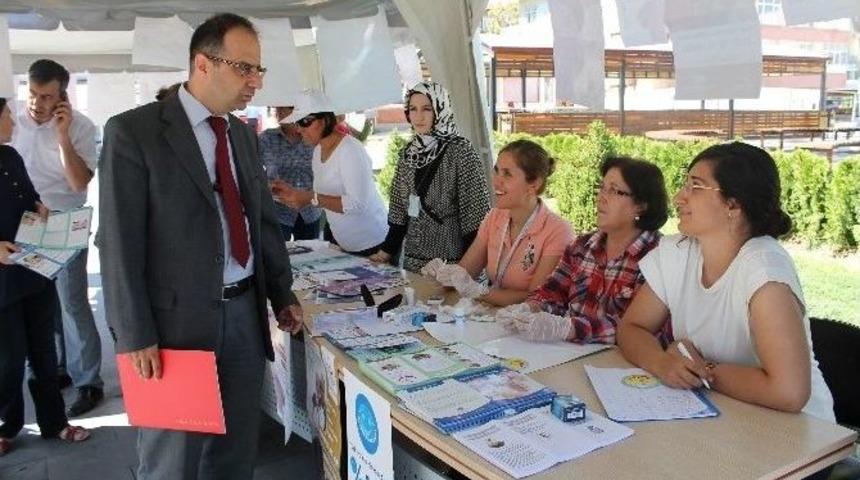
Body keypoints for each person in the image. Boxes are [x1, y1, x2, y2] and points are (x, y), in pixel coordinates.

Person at [98, 13, 303, 479]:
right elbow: (118, 242)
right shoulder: (135, 132)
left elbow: (260, 222)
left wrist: (280, 293)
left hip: (244, 318)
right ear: (202, 64)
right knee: (173, 461)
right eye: (243, 68)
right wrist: (135, 333)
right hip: (173, 329)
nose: (254, 82)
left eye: (258, 70)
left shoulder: (240, 135)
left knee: (234, 456)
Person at [617, 143, 835, 422]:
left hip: (801, 436)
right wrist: (661, 363)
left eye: (695, 186)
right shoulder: (677, 252)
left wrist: (702, 371)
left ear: (733, 204)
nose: (678, 197)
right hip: (727, 414)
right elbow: (632, 328)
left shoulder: (764, 272)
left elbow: (788, 392)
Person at [11, 59, 103, 417]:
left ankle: (89, 381)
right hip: (28, 221)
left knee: (72, 302)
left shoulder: (80, 126)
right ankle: (60, 367)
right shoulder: (14, 122)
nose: (37, 102)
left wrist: (62, 136)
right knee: (42, 303)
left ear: (62, 95)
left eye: (46, 96)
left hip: (67, 219)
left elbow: (80, 182)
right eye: (32, 93)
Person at [0, 97, 90, 457]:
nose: (13, 121)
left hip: (34, 267)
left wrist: (40, 208)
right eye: (6, 115)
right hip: (3, 281)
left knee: (43, 350)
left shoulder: (10, 157)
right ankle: (7, 426)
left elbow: (30, 197)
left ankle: (55, 421)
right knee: (8, 356)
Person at [498, 156, 669, 344]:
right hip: (566, 354)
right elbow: (552, 291)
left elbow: (634, 327)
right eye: (601, 187)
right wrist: (531, 309)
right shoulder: (581, 246)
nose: (601, 197)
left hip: (622, 364)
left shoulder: (658, 257)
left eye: (614, 191)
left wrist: (568, 328)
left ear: (641, 205)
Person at [421, 140, 572, 306]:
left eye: (507, 174)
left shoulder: (558, 231)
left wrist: (479, 291)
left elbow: (535, 299)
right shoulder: (495, 217)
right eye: (496, 171)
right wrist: (442, 275)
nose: (496, 181)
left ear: (534, 184)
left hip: (529, 326)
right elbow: (464, 274)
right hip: (494, 316)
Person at [369, 82, 491, 271]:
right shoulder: (408, 154)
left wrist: (467, 271)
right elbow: (399, 211)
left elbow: (476, 216)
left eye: (426, 109)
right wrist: (385, 251)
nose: (418, 116)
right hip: (413, 264)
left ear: (440, 109)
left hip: (452, 264)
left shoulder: (461, 151)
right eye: (413, 109)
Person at [272, 90, 388, 256]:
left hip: (373, 245)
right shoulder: (318, 151)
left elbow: (357, 204)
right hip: (343, 243)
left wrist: (310, 198)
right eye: (296, 123)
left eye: (304, 122)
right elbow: (325, 195)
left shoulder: (350, 150)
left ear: (325, 120)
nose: (299, 129)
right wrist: (295, 194)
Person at [259, 105, 321, 240]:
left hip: (310, 210)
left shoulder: (314, 138)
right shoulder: (265, 139)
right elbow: (253, 171)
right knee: (278, 257)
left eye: (287, 108)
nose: (279, 111)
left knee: (310, 257)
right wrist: (265, 185)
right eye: (278, 108)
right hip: (278, 213)